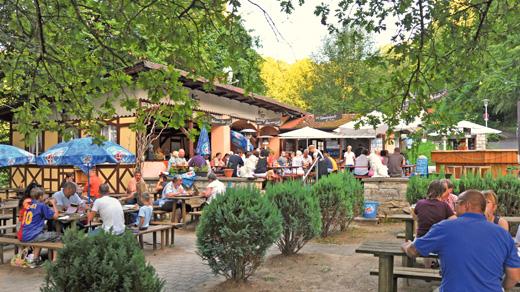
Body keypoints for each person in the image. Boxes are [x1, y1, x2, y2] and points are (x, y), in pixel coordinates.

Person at [402, 190, 520, 290]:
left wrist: (406, 246)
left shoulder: (444, 227)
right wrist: (502, 288)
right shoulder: (503, 234)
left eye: (456, 203)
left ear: (466, 205)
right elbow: (514, 276)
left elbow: (413, 251)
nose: (453, 207)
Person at [20, 187, 60, 267]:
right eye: (44, 195)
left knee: (41, 234)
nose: (45, 196)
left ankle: (35, 260)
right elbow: (56, 216)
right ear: (41, 196)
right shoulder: (41, 206)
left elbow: (36, 208)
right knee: (58, 236)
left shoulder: (27, 205)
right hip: (33, 236)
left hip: (23, 235)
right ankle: (55, 261)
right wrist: (54, 204)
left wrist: (44, 203)